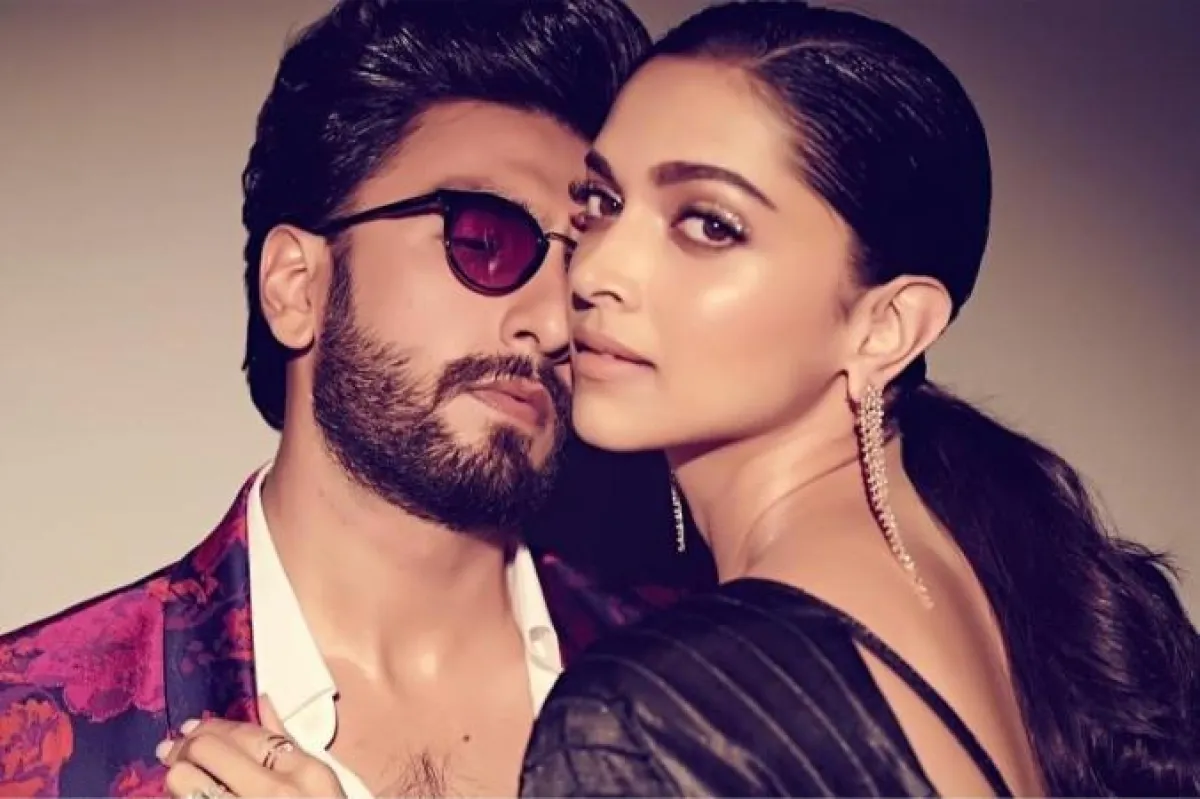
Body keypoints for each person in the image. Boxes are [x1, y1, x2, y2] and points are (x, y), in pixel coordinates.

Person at [513, 1, 1200, 797]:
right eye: (602, 203)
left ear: (886, 327)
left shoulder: (646, 719)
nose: (596, 272)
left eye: (708, 224)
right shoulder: (982, 580)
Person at [0, 1, 685, 797]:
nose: (554, 324)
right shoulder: (29, 732)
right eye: (486, 241)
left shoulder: (695, 689)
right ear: (298, 286)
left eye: (579, 266)